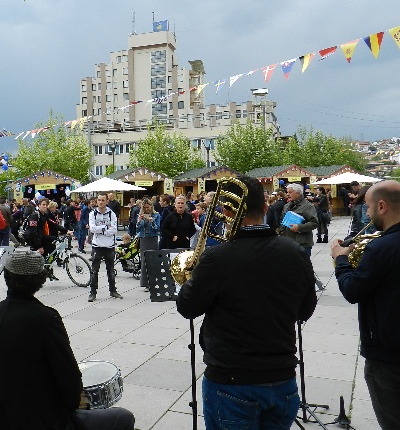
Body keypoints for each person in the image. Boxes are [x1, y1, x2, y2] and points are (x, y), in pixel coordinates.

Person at [176, 175, 317, 430]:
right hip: (283, 378)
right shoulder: (294, 252)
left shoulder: (217, 257)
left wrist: (189, 278)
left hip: (232, 380)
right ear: (265, 208)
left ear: (226, 210)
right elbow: (305, 310)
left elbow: (187, 307)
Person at [0, 249, 135, 430]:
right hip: (34, 421)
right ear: (40, 280)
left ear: (6, 277)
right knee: (123, 418)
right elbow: (70, 380)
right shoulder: (46, 319)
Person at [331, 180, 400, 430]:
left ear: (381, 206)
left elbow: (352, 290)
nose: (367, 214)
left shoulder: (380, 248)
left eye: (369, 208)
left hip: (388, 353)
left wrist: (341, 260)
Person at [279, 183, 324, 291]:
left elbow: (315, 223)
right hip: (287, 241)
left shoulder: (307, 206)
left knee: (303, 267)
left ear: (298, 193)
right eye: (287, 192)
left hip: (302, 242)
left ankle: (308, 288)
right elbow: (282, 221)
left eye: (290, 192)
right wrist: (280, 232)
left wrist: (299, 227)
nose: (287, 194)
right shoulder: (286, 205)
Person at [88, 193, 122, 302]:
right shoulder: (92, 214)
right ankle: (93, 293)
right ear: (96, 201)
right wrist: (105, 228)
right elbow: (92, 229)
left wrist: (101, 229)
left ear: (107, 201)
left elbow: (114, 230)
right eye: (99, 200)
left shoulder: (111, 214)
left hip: (109, 246)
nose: (101, 202)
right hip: (97, 245)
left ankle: (113, 290)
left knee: (111, 270)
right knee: (94, 271)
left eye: (103, 200)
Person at [136, 198, 161, 291]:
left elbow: (158, 229)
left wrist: (152, 221)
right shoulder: (141, 215)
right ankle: (146, 284)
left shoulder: (156, 215)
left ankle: (154, 282)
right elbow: (137, 229)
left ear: (151, 206)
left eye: (148, 207)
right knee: (144, 261)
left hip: (153, 238)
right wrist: (139, 221)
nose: (146, 209)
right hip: (144, 239)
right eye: (145, 207)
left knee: (153, 261)